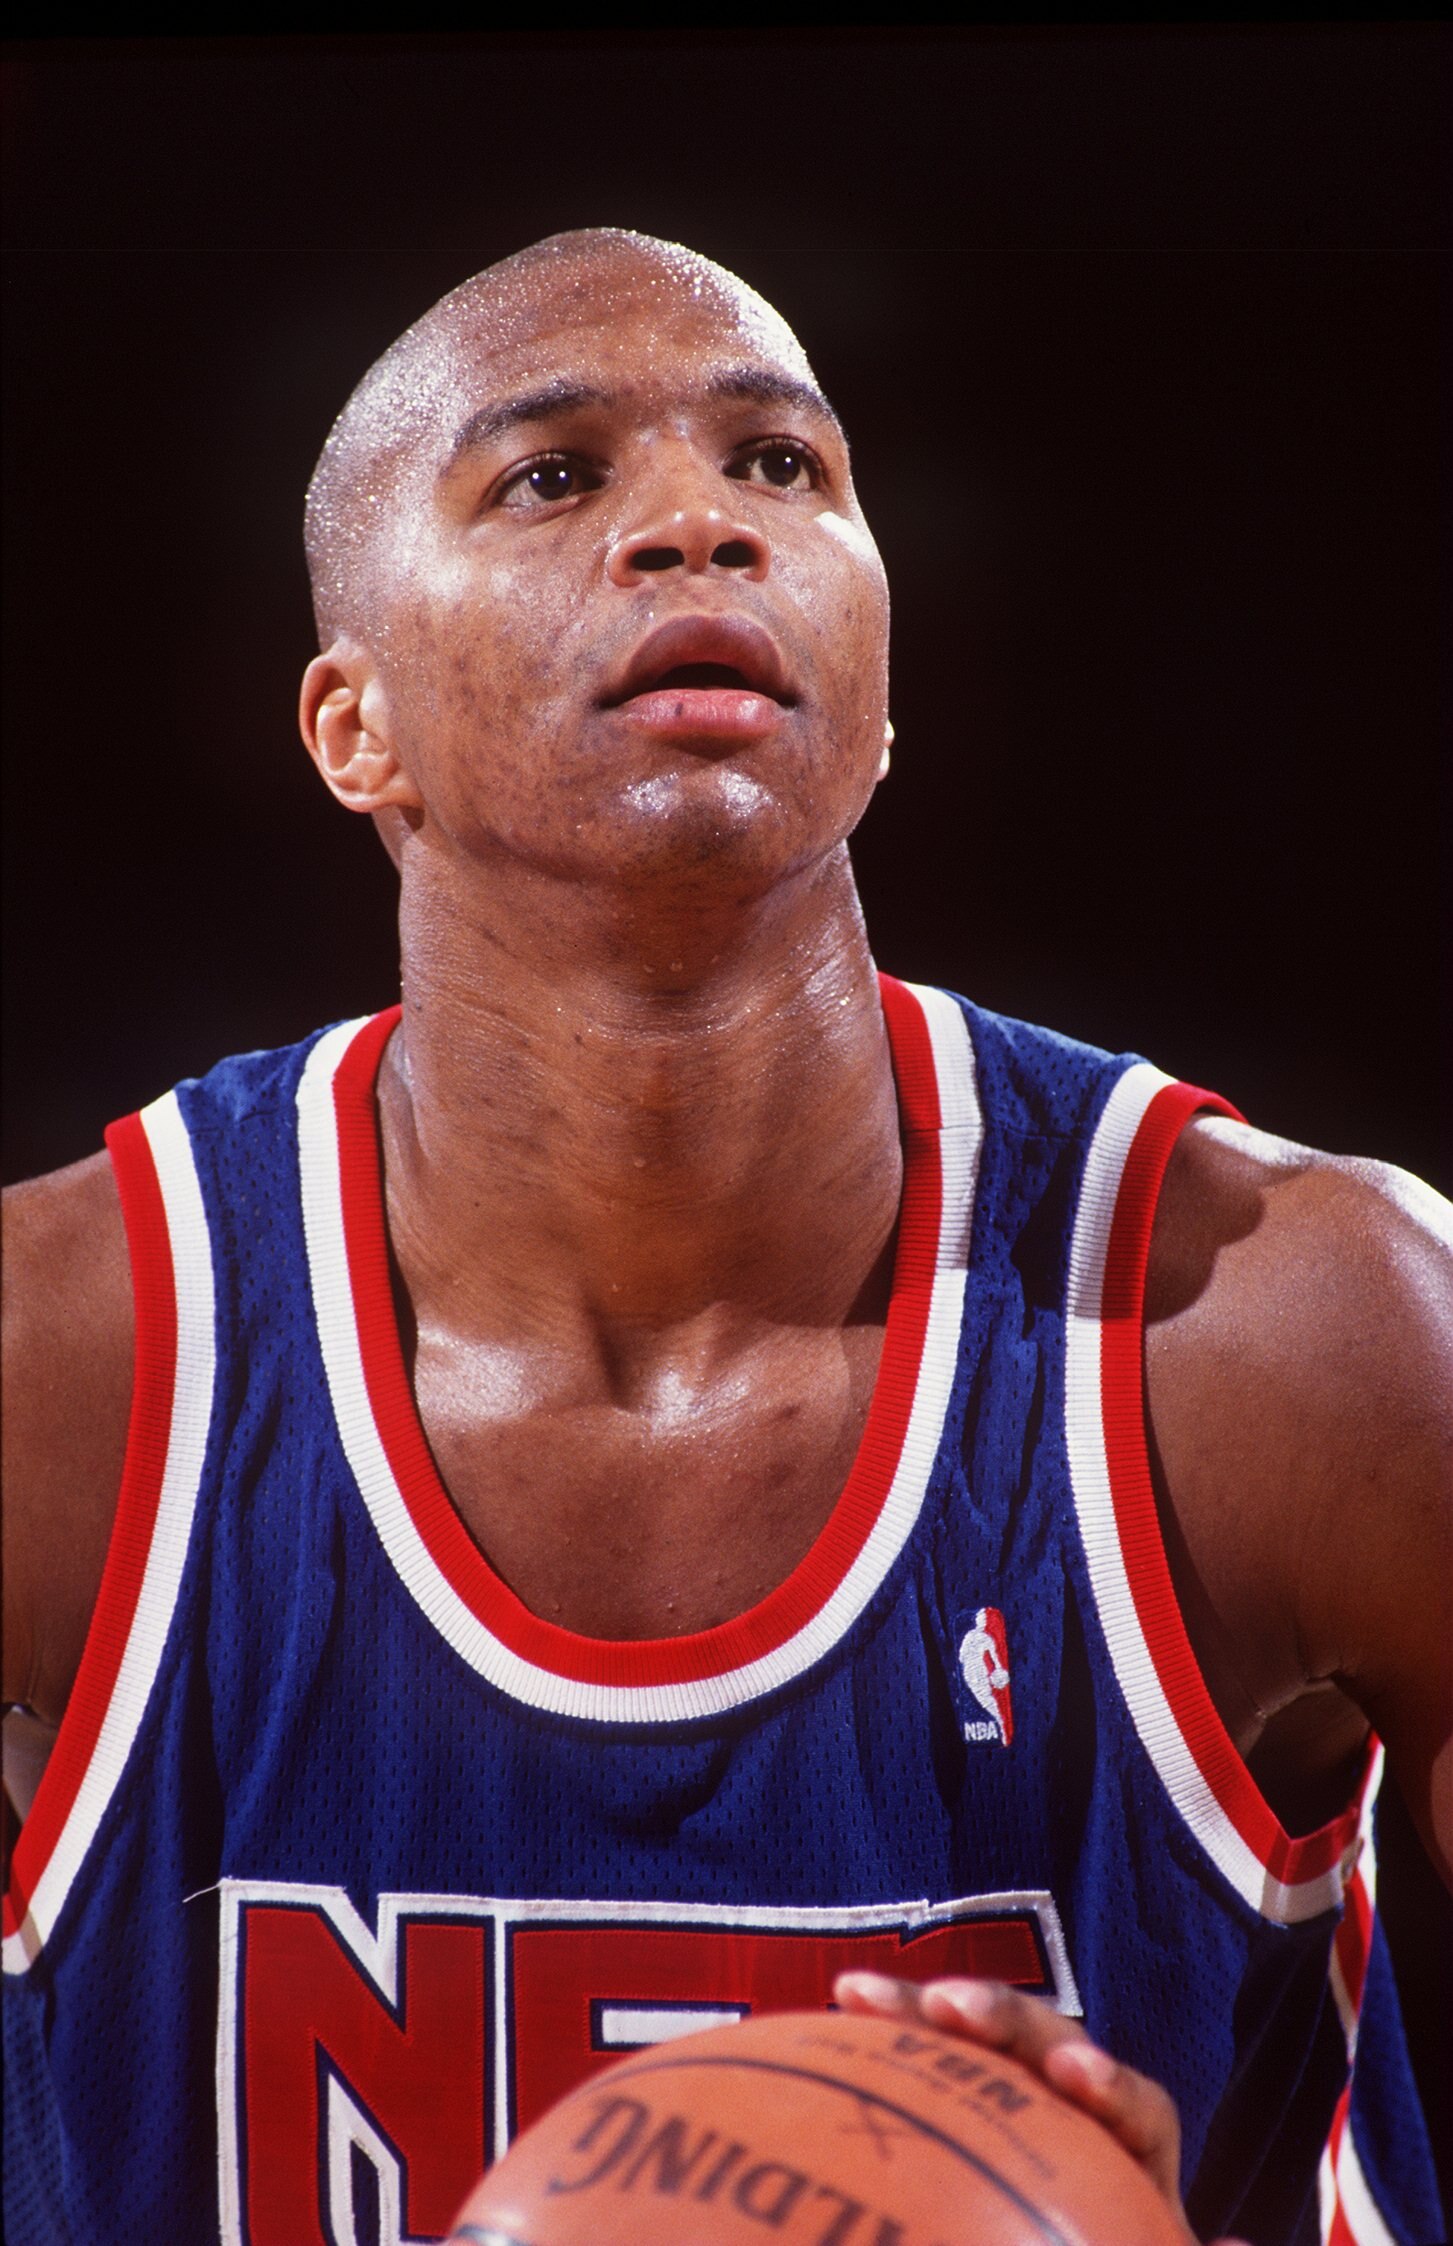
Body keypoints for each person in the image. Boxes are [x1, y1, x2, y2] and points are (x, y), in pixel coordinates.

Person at [2, 230, 1447, 2246]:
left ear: (873, 693)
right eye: (555, 474)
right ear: (354, 728)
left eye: (780, 468)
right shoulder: (59, 1371)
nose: (699, 521)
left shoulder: (1311, 1337)